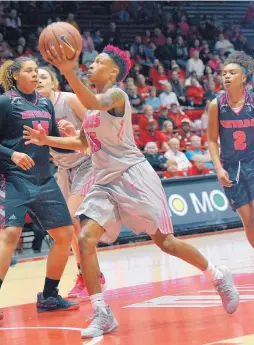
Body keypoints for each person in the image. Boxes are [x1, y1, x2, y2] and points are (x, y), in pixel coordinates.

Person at [23, 45, 240, 338]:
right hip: (104, 181)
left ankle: (216, 274)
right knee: (85, 237)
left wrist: (67, 71)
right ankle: (102, 313)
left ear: (113, 72)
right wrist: (44, 138)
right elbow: (82, 144)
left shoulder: (117, 95)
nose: (91, 64)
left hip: (133, 176)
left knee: (166, 242)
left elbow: (93, 101)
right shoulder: (89, 112)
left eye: (98, 61)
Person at [0, 57, 80, 321]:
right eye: (29, 71)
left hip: (44, 178)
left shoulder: (45, 103)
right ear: (14, 76)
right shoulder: (5, 102)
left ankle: (48, 296)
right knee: (10, 235)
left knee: (65, 234)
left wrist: (71, 136)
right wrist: (11, 155)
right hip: (14, 178)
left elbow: (53, 142)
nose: (35, 75)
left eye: (37, 71)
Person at [36, 67, 106, 299]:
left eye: (43, 76)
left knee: (71, 218)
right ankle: (85, 275)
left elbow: (96, 125)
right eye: (35, 77)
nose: (38, 80)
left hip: (87, 164)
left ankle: (91, 276)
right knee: (66, 226)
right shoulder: (33, 110)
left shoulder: (68, 99)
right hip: (63, 169)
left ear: (54, 82)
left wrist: (75, 131)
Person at [208, 51, 254, 249]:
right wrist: (218, 169)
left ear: (243, 77)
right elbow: (211, 140)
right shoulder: (216, 105)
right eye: (224, 73)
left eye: (232, 73)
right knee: (248, 220)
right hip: (231, 167)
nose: (226, 76)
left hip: (252, 162)